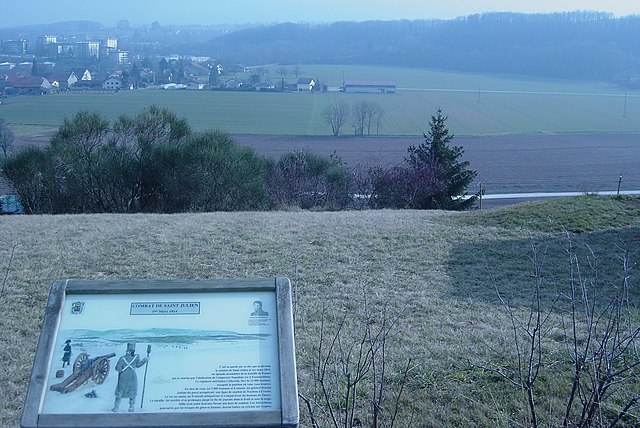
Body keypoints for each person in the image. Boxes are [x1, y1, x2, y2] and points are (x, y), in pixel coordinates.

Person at [112, 343, 149, 412]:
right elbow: (138, 365)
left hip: (123, 377)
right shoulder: (136, 357)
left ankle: (116, 408)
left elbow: (117, 368)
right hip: (132, 376)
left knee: (120, 392)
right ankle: (131, 407)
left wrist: (121, 370)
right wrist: (145, 360)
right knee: (132, 393)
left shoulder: (122, 358)